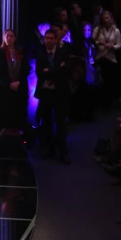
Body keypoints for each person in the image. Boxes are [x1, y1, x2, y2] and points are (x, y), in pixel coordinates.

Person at [35, 28, 72, 163]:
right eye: (47, 38)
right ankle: (49, 149)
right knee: (46, 122)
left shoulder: (63, 52)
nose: (49, 41)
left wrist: (49, 71)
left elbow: (65, 70)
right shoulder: (40, 53)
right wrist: (56, 70)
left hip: (60, 92)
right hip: (45, 93)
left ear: (56, 39)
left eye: (51, 38)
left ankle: (63, 152)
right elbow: (39, 72)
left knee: (61, 123)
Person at [0, 28, 30, 132]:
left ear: (15, 38)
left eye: (11, 36)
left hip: (19, 87)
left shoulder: (20, 51)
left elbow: (26, 69)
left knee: (19, 116)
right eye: (7, 36)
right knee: (5, 117)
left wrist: (18, 82)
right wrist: (9, 84)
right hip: (4, 89)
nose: (8, 38)